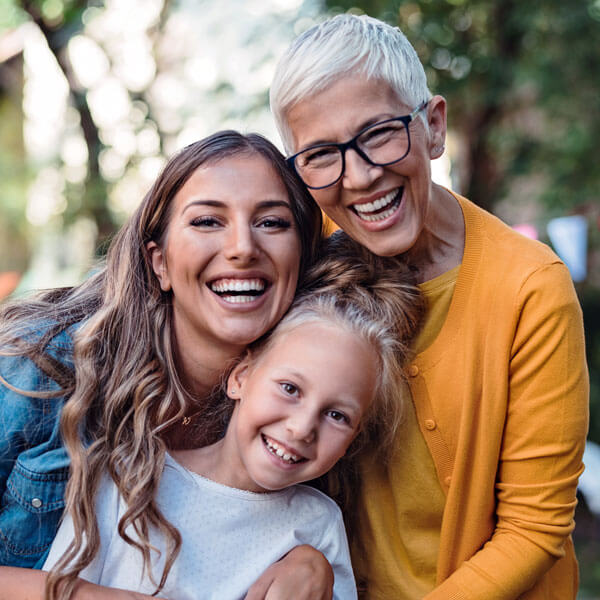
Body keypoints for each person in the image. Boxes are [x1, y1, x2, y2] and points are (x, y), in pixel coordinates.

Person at [270, 13, 589, 600]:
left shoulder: (529, 288)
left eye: (379, 134)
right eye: (321, 155)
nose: (360, 177)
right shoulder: (298, 261)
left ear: (433, 126)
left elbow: (534, 527)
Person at [0, 130, 325, 599]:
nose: (242, 247)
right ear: (160, 263)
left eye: (272, 223)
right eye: (209, 221)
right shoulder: (41, 367)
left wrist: (310, 557)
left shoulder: (302, 406)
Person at [41, 233, 424, 600]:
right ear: (241, 377)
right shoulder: (130, 474)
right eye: (290, 389)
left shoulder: (317, 525)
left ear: (354, 437)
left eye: (338, 415)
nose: (302, 427)